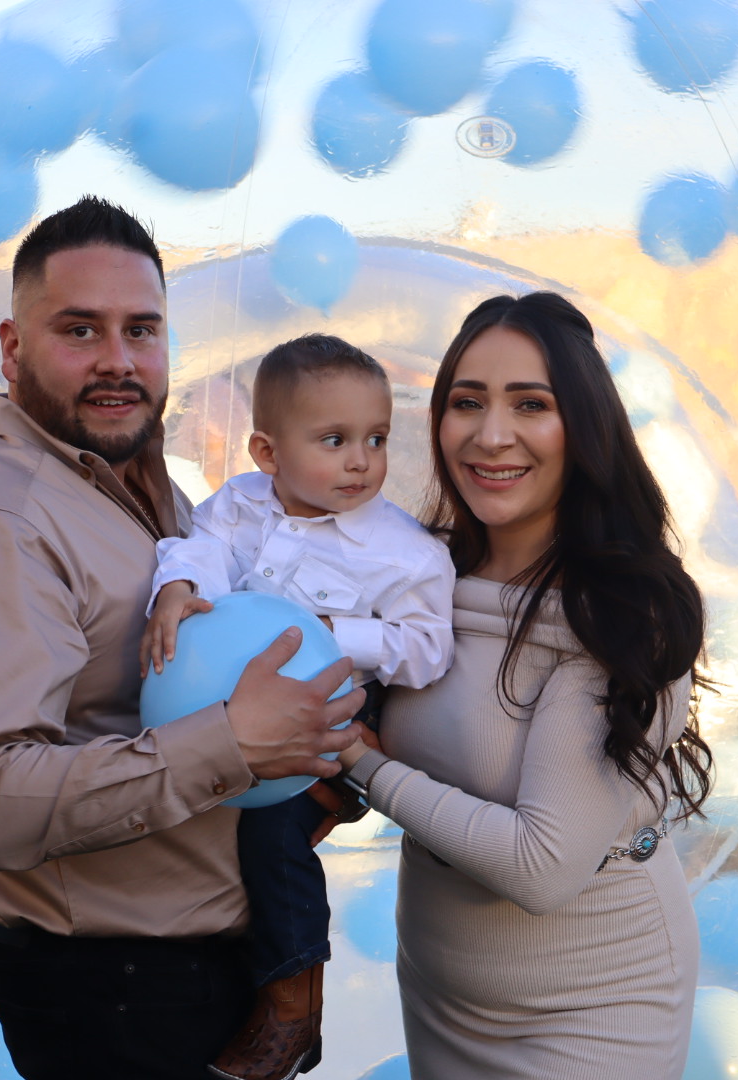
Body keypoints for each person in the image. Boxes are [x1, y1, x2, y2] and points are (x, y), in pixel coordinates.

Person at [0, 196, 364, 1080]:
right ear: (12, 346)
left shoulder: (141, 489)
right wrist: (234, 742)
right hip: (114, 993)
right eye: (80, 330)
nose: (119, 361)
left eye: (142, 330)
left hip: (186, 969)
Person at [335, 291, 713, 1079]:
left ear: (585, 428)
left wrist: (363, 765)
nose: (490, 434)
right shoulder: (422, 572)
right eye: (466, 403)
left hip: (593, 1014)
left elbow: (541, 866)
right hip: (443, 990)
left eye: (530, 405)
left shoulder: (620, 611)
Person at [141, 333, 456, 1080]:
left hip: (335, 708)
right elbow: (198, 548)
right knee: (193, 820)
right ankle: (204, 975)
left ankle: (292, 1002)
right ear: (267, 452)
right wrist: (178, 588)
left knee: (271, 840)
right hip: (236, 706)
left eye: (376, 439)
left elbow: (428, 647)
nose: (361, 461)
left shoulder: (403, 553)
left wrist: (335, 634)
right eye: (335, 440)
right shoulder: (241, 505)